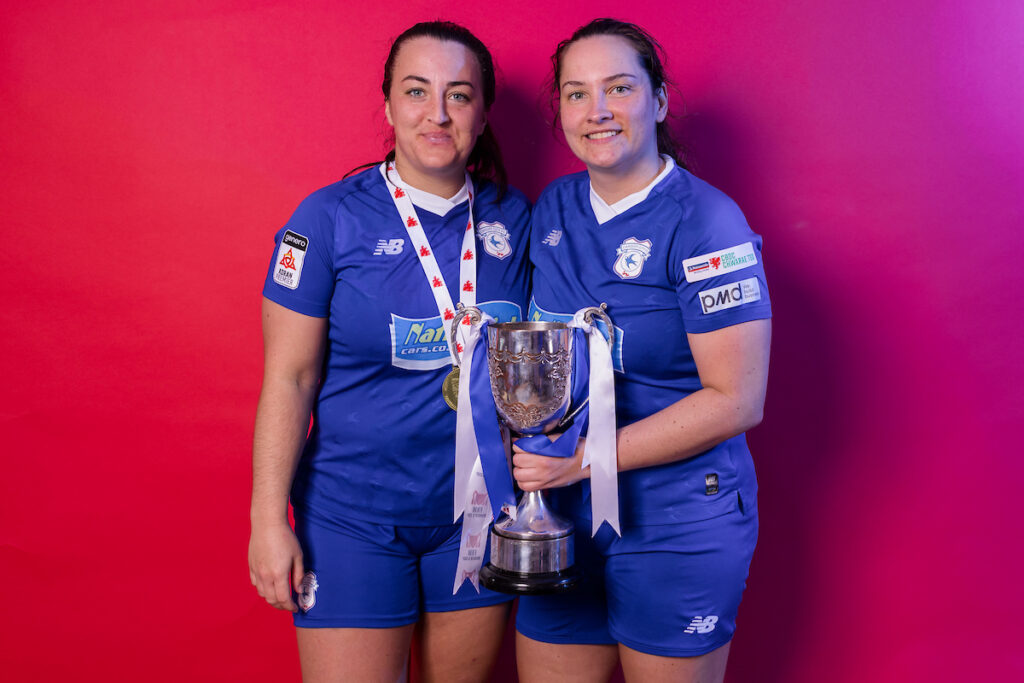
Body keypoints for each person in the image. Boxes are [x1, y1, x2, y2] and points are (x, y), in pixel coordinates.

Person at [247, 21, 530, 682]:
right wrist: (266, 519)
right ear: (388, 105)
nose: (438, 113)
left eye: (459, 95)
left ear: (483, 112)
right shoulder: (327, 218)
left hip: (477, 514)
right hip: (352, 518)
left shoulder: (517, 218)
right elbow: (288, 378)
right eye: (416, 90)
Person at [514, 18, 772, 683]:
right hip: (564, 516)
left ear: (657, 101)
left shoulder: (708, 222)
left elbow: (737, 400)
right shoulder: (553, 209)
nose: (596, 110)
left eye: (619, 88)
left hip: (676, 519)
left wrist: (583, 460)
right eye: (576, 93)